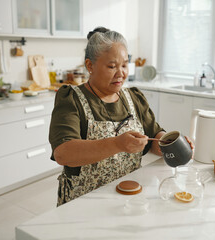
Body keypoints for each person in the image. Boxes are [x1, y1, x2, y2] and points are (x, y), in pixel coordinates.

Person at [49, 27, 166, 206]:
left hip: (129, 199)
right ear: (90, 66)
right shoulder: (71, 99)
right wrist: (117, 144)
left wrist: (171, 143)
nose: (121, 73)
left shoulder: (133, 98)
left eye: (125, 65)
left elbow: (155, 136)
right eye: (112, 66)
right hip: (82, 204)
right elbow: (64, 153)